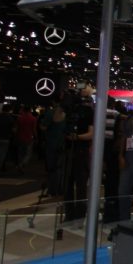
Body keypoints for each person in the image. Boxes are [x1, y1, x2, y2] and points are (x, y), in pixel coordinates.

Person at [63, 83, 95, 222]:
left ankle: (80, 214)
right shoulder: (70, 111)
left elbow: (91, 134)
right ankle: (69, 213)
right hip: (68, 149)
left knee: (81, 184)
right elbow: (57, 119)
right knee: (67, 183)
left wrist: (77, 137)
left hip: (81, 150)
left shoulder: (89, 112)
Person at [40, 99, 67, 196]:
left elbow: (43, 127)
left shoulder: (50, 113)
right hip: (63, 144)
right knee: (60, 168)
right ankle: (59, 189)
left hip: (51, 144)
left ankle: (52, 190)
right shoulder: (67, 115)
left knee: (51, 168)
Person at [15, 105, 37, 172]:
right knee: (28, 153)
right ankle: (22, 164)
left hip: (20, 136)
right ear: (30, 110)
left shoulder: (19, 118)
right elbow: (34, 129)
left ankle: (20, 164)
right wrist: (36, 137)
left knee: (20, 152)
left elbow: (16, 128)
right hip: (29, 137)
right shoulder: (33, 118)